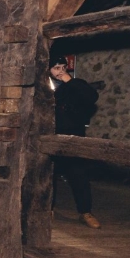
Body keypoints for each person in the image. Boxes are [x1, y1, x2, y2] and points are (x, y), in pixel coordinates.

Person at [49, 55, 101, 229]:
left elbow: (91, 96)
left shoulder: (74, 85)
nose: (61, 71)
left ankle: (85, 212)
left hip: (72, 138)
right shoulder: (42, 87)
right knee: (46, 176)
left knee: (79, 175)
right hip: (49, 138)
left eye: (63, 67)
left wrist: (68, 80)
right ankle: (46, 210)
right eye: (56, 68)